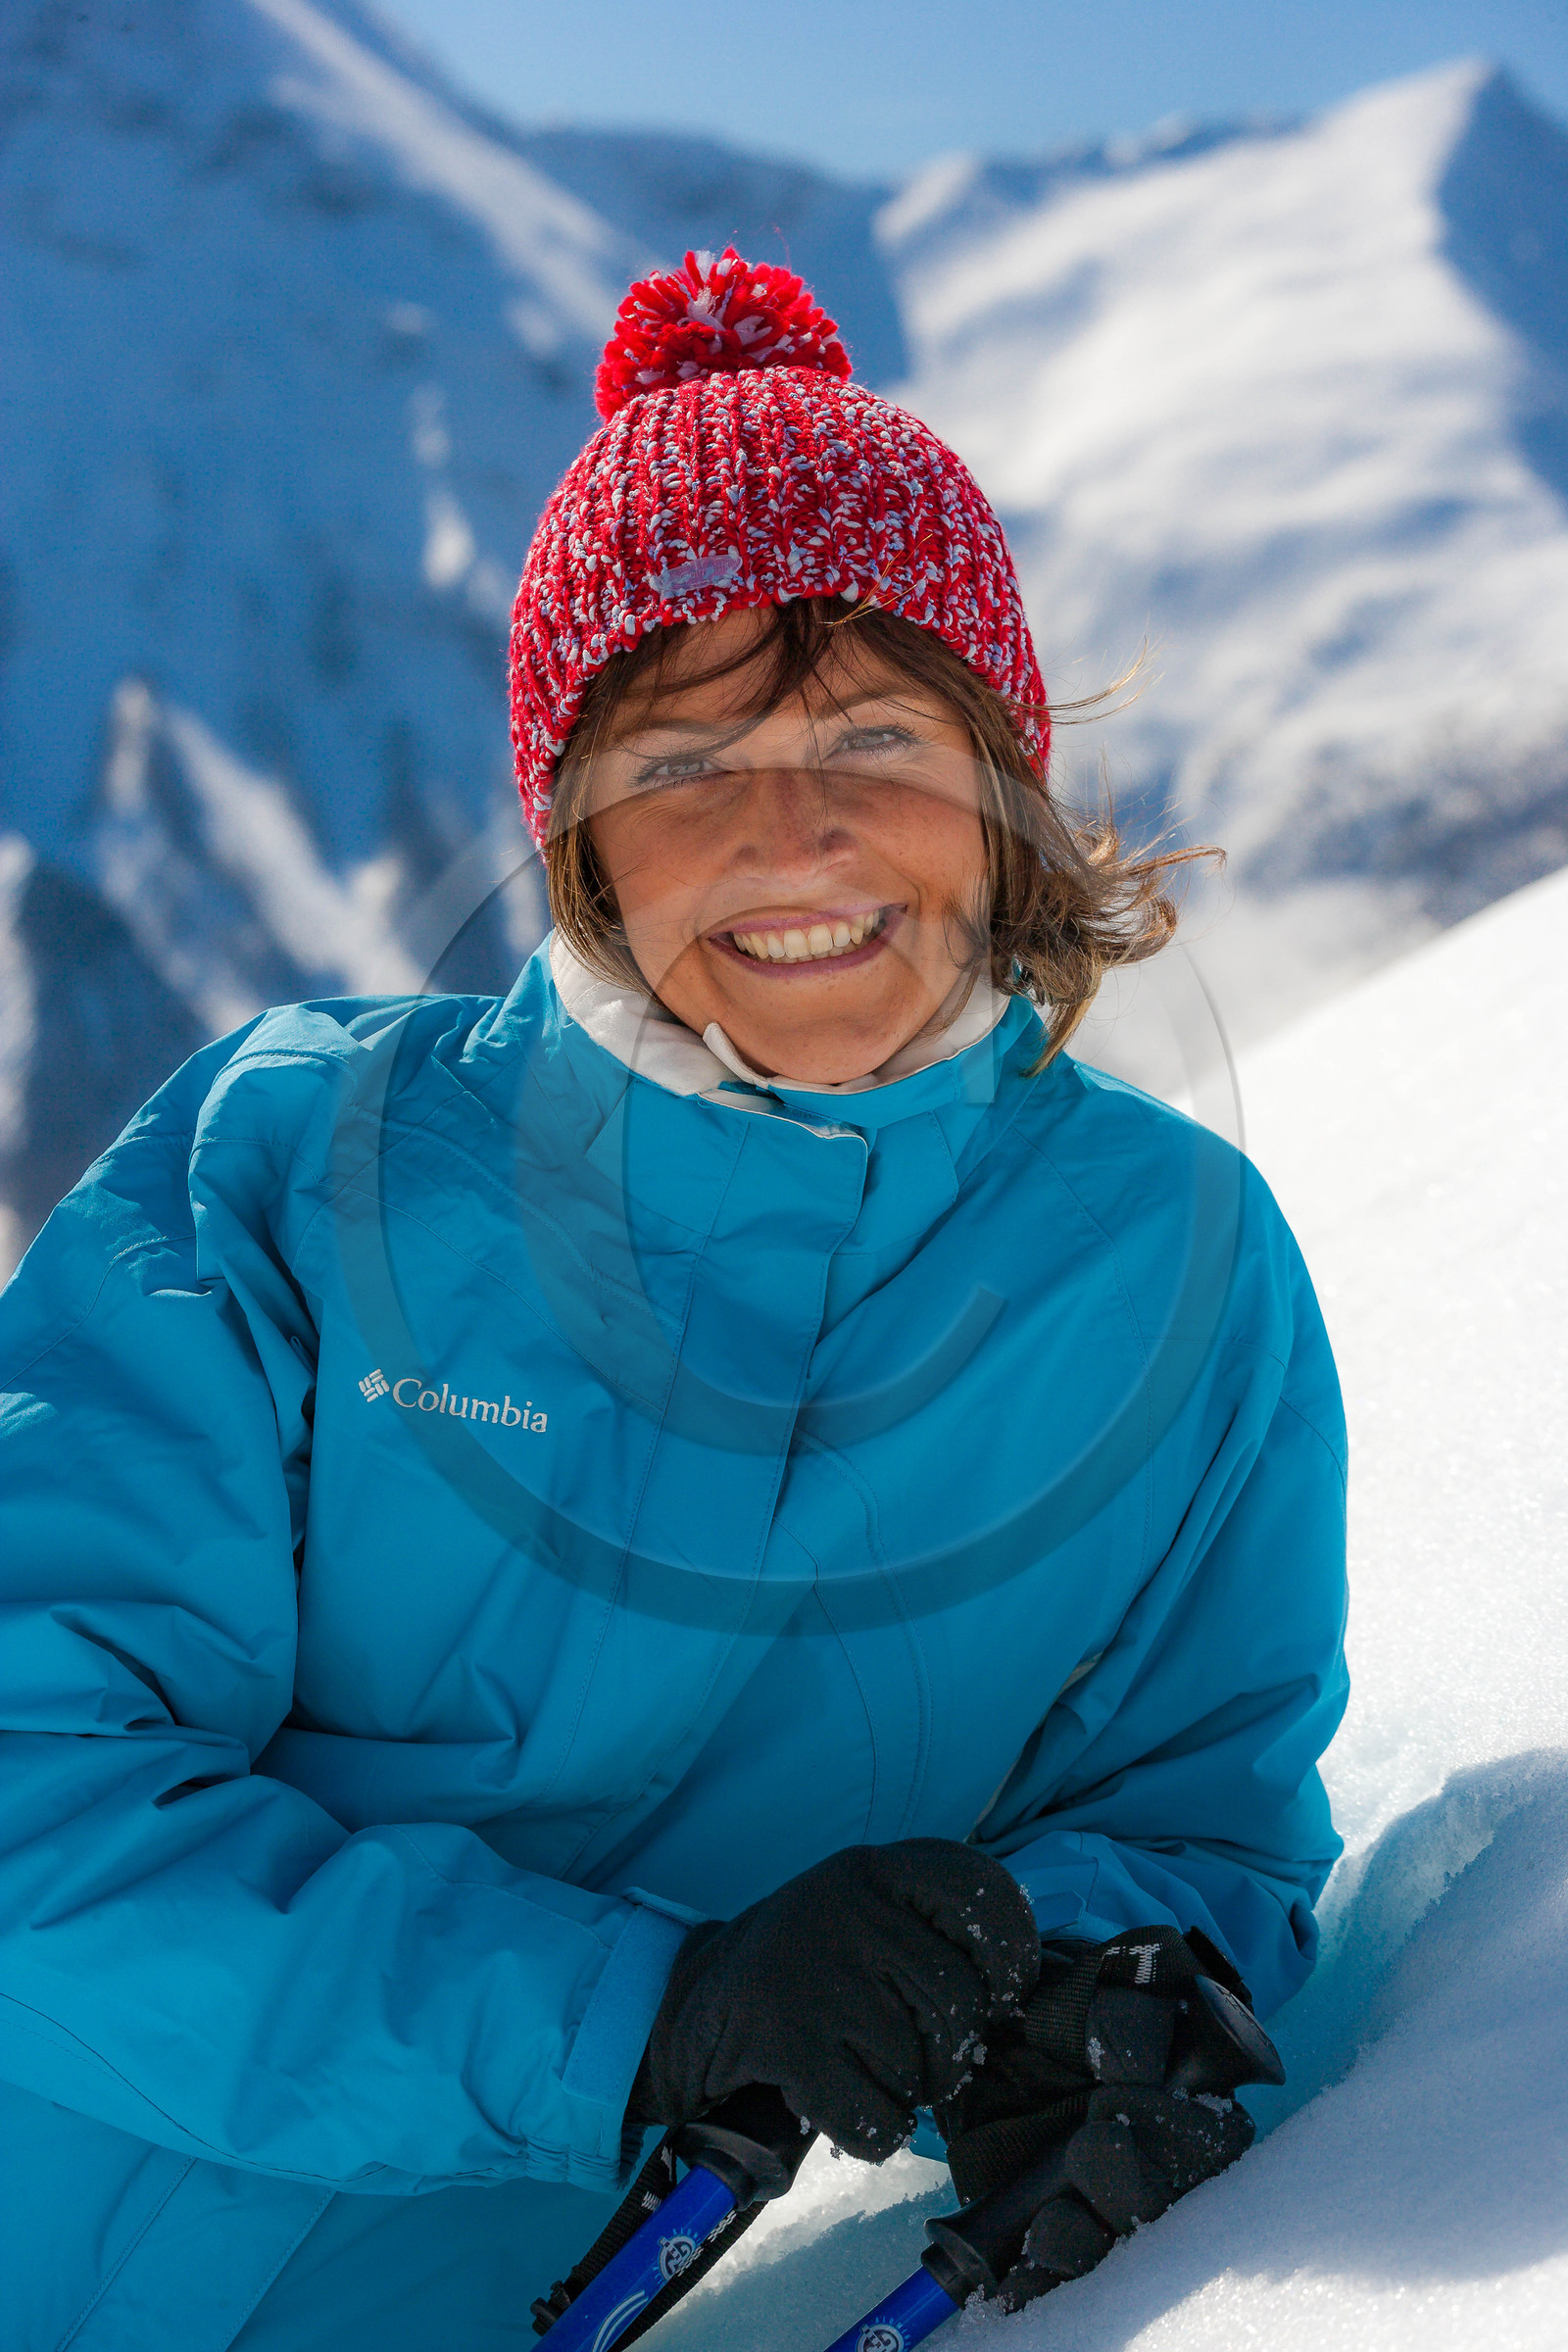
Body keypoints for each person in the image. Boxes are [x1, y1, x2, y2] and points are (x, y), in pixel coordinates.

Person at [0, 251, 1348, 2351]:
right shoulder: (283, 1165)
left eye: (874, 737)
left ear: (999, 784)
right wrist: (637, 2016)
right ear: (574, 837)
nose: (786, 836)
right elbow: (26, 1786)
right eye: (676, 762)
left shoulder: (1169, 1279)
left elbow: (1192, 1815)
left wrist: (1077, 2000)